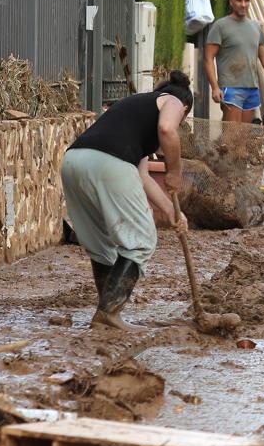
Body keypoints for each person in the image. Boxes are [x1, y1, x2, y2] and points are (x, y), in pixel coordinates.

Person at [61, 72, 192, 331]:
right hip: (109, 163)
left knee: (102, 247)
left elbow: (142, 175)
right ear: (185, 109)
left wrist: (170, 210)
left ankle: (105, 313)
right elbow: (167, 129)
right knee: (141, 240)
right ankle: (109, 312)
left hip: (74, 161)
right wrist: (174, 171)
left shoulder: (136, 106)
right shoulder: (175, 99)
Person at [204, 0, 264, 123]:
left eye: (246, 1)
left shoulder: (255, 27)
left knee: (244, 137)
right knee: (231, 136)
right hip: (231, 86)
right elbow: (208, 58)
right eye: (239, 1)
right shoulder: (220, 26)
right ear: (231, 2)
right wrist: (215, 87)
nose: (243, 4)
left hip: (252, 88)